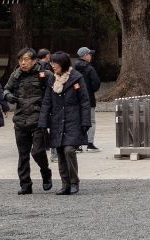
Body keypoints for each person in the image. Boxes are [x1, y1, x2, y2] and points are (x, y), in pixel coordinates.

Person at [38, 51, 91, 195]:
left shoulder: (76, 78)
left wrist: (85, 122)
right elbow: (47, 102)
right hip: (57, 121)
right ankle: (65, 183)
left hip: (74, 120)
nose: (53, 66)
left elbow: (85, 102)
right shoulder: (52, 80)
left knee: (69, 150)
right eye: (52, 63)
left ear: (63, 64)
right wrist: (43, 122)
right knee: (60, 152)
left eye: (56, 63)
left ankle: (74, 181)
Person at [4, 48, 54, 194]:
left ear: (34, 60)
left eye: (26, 59)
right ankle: (25, 184)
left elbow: (54, 93)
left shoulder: (45, 74)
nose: (23, 63)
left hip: (38, 118)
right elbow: (6, 89)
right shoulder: (16, 74)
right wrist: (8, 96)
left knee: (37, 151)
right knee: (23, 154)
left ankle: (46, 173)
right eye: (20, 60)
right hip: (20, 119)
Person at [72, 47, 102, 151]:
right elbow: (96, 84)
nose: (91, 56)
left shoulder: (73, 68)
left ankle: (77, 145)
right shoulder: (90, 69)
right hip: (89, 99)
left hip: (75, 99)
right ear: (85, 56)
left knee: (77, 120)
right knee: (91, 121)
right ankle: (90, 143)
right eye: (89, 54)